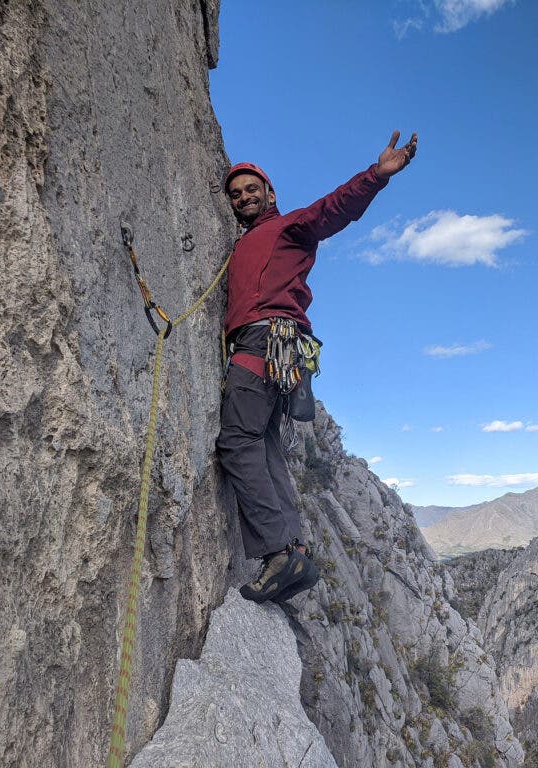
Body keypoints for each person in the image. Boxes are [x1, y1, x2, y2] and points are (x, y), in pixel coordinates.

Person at [217, 131, 418, 603]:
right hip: (280, 350)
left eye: (252, 189)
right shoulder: (247, 242)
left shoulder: (288, 226)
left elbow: (333, 209)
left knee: (237, 440)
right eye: (236, 194)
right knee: (265, 445)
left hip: (264, 340)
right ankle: (295, 552)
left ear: (270, 195)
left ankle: (276, 553)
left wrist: (376, 175)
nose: (244, 197)